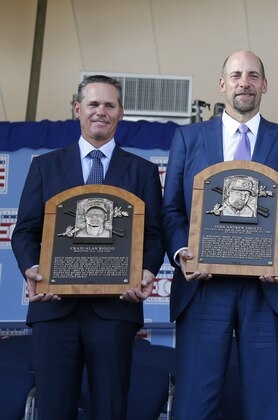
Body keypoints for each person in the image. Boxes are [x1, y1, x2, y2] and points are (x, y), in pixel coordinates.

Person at [162, 50, 278, 419]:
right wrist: (183, 252)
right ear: (222, 84)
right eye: (235, 76)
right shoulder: (187, 139)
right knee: (193, 406)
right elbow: (171, 210)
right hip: (203, 287)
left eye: (252, 76)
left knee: (266, 406)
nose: (243, 83)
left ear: (264, 85)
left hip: (267, 290)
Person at [11, 75, 164, 419]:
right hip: (54, 310)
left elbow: (154, 235)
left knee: (111, 408)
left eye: (110, 105)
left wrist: (147, 271)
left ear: (121, 113)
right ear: (78, 110)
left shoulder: (143, 171)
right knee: (53, 410)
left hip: (114, 311)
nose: (101, 112)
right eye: (93, 104)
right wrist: (33, 269)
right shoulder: (45, 166)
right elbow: (24, 232)